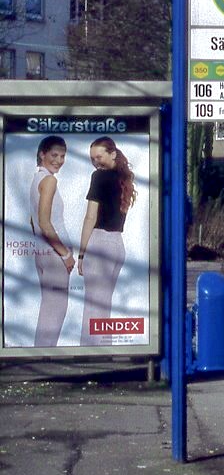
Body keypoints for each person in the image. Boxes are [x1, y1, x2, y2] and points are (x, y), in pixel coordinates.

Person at [77, 137, 136, 346]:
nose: (96, 162)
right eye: (92, 159)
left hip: (100, 243)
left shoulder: (99, 178)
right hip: (117, 246)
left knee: (93, 305)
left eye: (99, 157)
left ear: (112, 153)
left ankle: (88, 355)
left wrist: (82, 253)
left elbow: (90, 218)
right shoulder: (125, 179)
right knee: (105, 306)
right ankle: (104, 349)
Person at [29, 135, 76, 347]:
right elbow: (45, 223)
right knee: (55, 310)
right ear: (42, 154)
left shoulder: (36, 179)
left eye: (63, 156)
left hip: (42, 253)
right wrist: (65, 254)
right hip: (55, 255)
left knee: (48, 309)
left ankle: (41, 356)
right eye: (54, 155)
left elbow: (33, 221)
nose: (59, 160)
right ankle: (45, 358)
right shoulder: (49, 181)